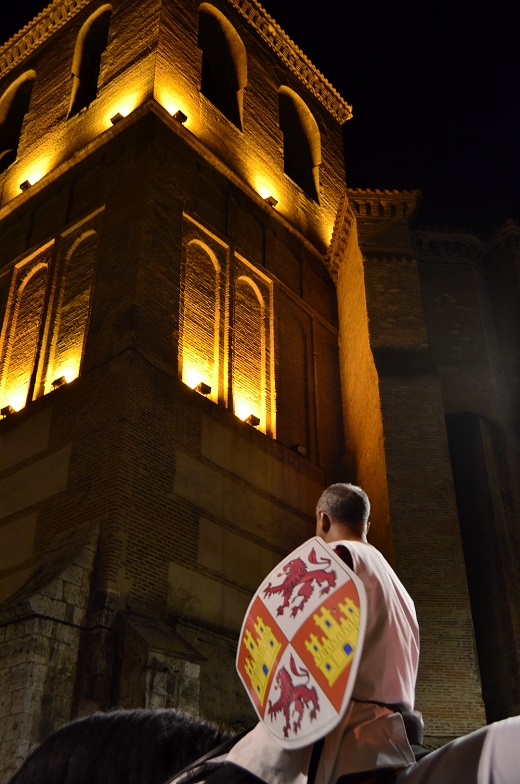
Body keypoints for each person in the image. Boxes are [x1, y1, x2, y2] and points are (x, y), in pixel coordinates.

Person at [190, 482, 420, 784]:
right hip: (393, 733)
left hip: (340, 731)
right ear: (365, 523)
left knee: (235, 768)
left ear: (323, 519)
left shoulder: (337, 557)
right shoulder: (400, 588)